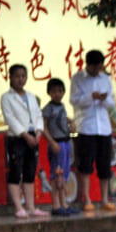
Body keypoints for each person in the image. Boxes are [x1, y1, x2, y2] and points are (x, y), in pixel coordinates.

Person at [70, 49, 116, 213]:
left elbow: (111, 103)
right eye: (94, 67)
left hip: (104, 127)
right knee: (85, 165)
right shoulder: (78, 79)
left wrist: (104, 99)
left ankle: (105, 199)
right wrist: (91, 97)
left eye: (99, 67)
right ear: (87, 65)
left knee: (104, 165)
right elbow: (74, 100)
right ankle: (87, 199)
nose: (97, 70)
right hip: (86, 127)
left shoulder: (105, 78)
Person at [0, 64, 50, 219]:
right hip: (18, 137)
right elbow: (10, 118)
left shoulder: (31, 96)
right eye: (17, 76)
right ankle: (18, 207)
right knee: (16, 171)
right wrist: (25, 135)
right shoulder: (6, 97)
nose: (20, 79)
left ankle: (31, 207)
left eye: (23, 76)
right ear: (10, 77)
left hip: (33, 135)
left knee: (30, 171)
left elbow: (38, 116)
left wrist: (38, 132)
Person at [40, 77, 77, 216]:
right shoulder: (47, 108)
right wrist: (52, 142)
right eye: (54, 91)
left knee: (64, 175)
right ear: (49, 92)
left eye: (60, 91)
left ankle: (64, 204)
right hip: (57, 143)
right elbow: (44, 128)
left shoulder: (61, 106)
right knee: (56, 176)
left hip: (66, 142)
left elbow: (63, 117)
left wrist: (71, 122)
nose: (58, 94)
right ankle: (56, 205)